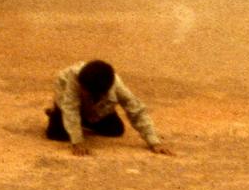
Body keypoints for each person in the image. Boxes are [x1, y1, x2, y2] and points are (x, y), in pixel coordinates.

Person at [45, 59, 173, 156]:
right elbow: (70, 107)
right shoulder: (74, 77)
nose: (82, 90)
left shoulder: (116, 86)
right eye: (82, 88)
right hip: (66, 103)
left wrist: (154, 142)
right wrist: (77, 141)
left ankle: (82, 121)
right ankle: (56, 113)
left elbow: (136, 110)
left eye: (85, 90)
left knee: (115, 130)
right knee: (56, 134)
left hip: (96, 109)